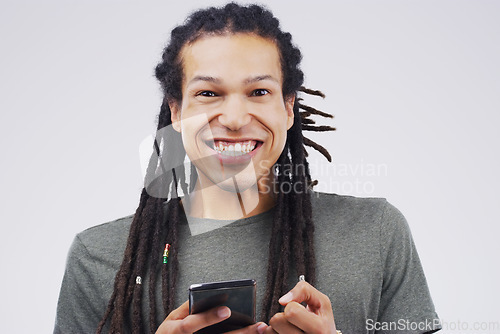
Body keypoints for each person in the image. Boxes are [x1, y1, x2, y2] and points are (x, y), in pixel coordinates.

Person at [54, 3, 440, 334]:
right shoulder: (98, 256)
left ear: (288, 108)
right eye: (209, 93)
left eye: (259, 92)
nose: (236, 118)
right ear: (176, 111)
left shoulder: (376, 232)